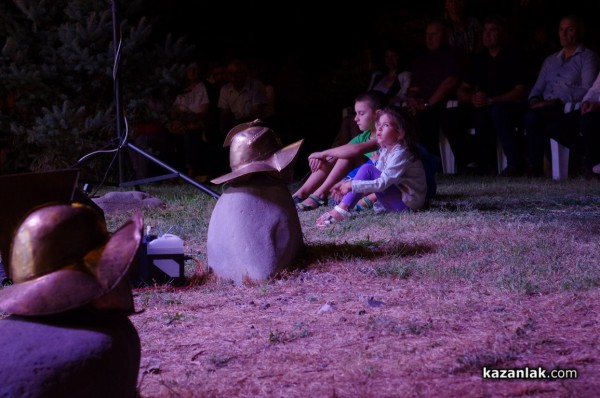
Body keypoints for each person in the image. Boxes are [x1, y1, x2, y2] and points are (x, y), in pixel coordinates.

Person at [440, 15, 529, 176]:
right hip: (481, 104)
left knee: (492, 113)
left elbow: (521, 90)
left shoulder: (514, 56)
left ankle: (505, 164)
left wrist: (492, 100)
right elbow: (462, 89)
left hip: (506, 105)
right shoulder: (479, 60)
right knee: (449, 116)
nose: (487, 35)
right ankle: (468, 163)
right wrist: (472, 98)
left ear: (503, 34)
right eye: (485, 31)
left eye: (492, 31)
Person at [315, 106, 427, 227]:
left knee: (367, 169)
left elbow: (382, 183)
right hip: (398, 202)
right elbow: (377, 176)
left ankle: (342, 209)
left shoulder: (402, 152)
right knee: (368, 170)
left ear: (399, 133)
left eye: (386, 125)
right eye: (378, 124)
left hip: (406, 205)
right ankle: (344, 206)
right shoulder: (386, 150)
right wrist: (346, 183)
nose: (378, 128)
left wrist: (352, 185)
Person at [523, 14, 599, 177]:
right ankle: (534, 165)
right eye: (561, 29)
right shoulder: (551, 60)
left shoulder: (587, 57)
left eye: (569, 29)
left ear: (580, 32)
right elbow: (537, 88)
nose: (563, 34)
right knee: (529, 115)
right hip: (543, 106)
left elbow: (588, 87)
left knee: (538, 119)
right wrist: (535, 100)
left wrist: (556, 101)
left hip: (565, 105)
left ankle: (536, 166)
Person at [293, 90, 387, 211]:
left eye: (361, 113)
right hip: (358, 181)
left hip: (376, 183)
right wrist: (320, 158)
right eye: (356, 113)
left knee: (347, 155)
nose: (356, 119)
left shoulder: (384, 135)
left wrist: (322, 153)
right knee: (334, 157)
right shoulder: (364, 136)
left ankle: (319, 195)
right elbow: (341, 152)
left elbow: (354, 150)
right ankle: (299, 195)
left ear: (377, 114)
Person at [405, 18, 465, 163]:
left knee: (429, 116)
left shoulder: (453, 55)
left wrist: (428, 104)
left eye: (434, 34)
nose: (429, 38)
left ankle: (433, 162)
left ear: (444, 35)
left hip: (442, 104)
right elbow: (413, 88)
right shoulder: (422, 59)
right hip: (420, 104)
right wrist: (411, 100)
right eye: (427, 34)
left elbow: (450, 82)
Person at [168, 62, 211, 181]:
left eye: (195, 70)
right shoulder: (184, 90)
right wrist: (176, 118)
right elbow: (174, 109)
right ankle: (174, 173)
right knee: (171, 138)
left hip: (195, 124)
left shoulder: (202, 88)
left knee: (189, 138)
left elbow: (204, 111)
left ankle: (191, 172)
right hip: (182, 123)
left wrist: (188, 118)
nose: (193, 73)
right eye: (190, 70)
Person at [218, 58, 268, 136]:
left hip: (257, 128)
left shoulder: (255, 86)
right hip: (236, 128)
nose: (233, 77)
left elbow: (257, 114)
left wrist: (237, 126)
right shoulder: (225, 90)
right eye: (230, 73)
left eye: (237, 73)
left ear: (244, 73)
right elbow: (225, 115)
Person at [579, 71, 600, 178]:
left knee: (588, 122)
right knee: (557, 125)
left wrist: (598, 104)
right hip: (595, 108)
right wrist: (586, 101)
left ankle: (592, 165)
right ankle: (592, 160)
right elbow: (595, 89)